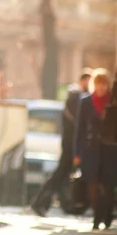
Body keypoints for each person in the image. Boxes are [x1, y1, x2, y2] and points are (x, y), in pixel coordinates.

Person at [30, 71, 91, 216]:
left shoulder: (75, 97)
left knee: (63, 176)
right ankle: (40, 203)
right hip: (70, 144)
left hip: (71, 143)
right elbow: (77, 123)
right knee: (60, 175)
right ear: (83, 81)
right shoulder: (76, 97)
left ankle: (53, 204)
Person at [74, 68, 117, 230]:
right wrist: (76, 152)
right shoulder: (86, 101)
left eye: (104, 84)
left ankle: (107, 215)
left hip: (110, 149)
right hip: (91, 149)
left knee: (108, 185)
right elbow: (80, 128)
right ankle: (96, 216)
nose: (101, 88)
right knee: (92, 184)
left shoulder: (113, 101)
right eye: (98, 84)